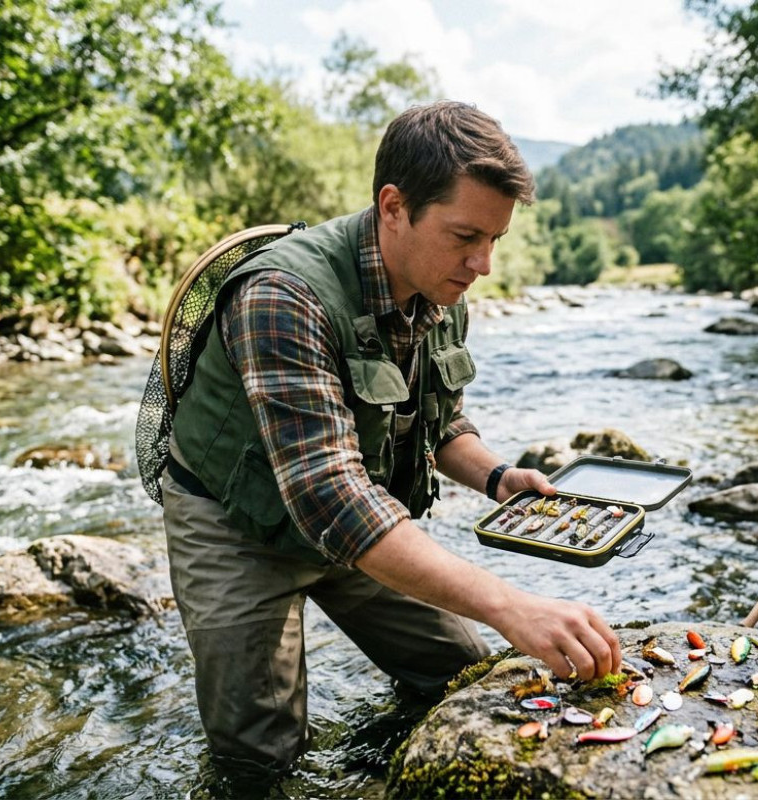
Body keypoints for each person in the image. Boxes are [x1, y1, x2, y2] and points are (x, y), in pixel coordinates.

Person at [160, 100, 622, 785]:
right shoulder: (282, 296)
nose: (483, 263)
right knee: (260, 758)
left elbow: (440, 422)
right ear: (393, 207)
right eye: (467, 236)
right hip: (236, 526)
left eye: (495, 239)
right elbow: (332, 499)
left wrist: (497, 476)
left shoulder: (442, 284)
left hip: (359, 518)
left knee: (463, 675)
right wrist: (512, 605)